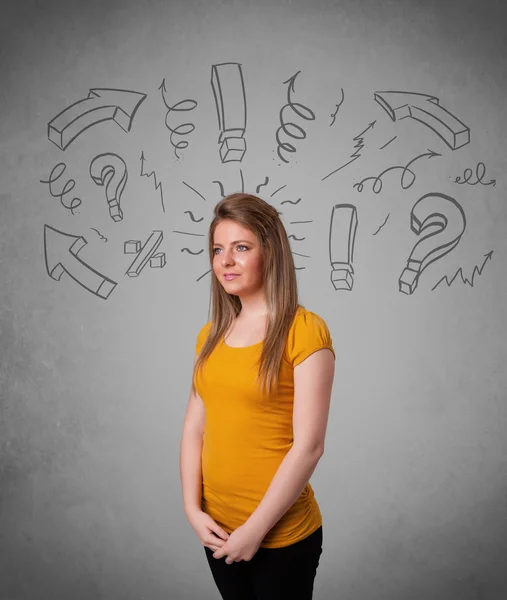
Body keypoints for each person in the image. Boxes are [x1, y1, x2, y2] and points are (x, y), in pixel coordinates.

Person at [179, 192, 335, 599]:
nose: (225, 261)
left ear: (271, 252)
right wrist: (193, 512)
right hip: (218, 533)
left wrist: (254, 532)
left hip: (280, 538)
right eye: (218, 250)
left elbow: (310, 447)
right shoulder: (210, 336)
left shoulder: (305, 331)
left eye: (241, 248)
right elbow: (195, 427)